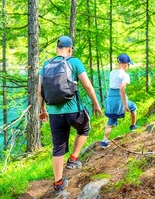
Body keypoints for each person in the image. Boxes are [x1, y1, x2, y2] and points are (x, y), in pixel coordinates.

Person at [38, 35, 102, 196]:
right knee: (84, 129)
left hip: (54, 113)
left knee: (58, 147)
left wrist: (42, 109)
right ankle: (73, 159)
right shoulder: (74, 62)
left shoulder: (46, 65)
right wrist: (96, 104)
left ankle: (58, 183)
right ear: (70, 49)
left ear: (56, 49)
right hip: (74, 111)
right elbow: (87, 85)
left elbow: (40, 91)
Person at [100, 53, 138, 149]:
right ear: (125, 64)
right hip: (119, 99)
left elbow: (114, 86)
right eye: (128, 64)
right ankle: (133, 126)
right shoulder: (125, 75)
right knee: (133, 107)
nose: (128, 66)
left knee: (111, 121)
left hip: (110, 98)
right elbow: (121, 88)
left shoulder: (112, 73)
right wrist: (125, 105)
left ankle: (104, 141)